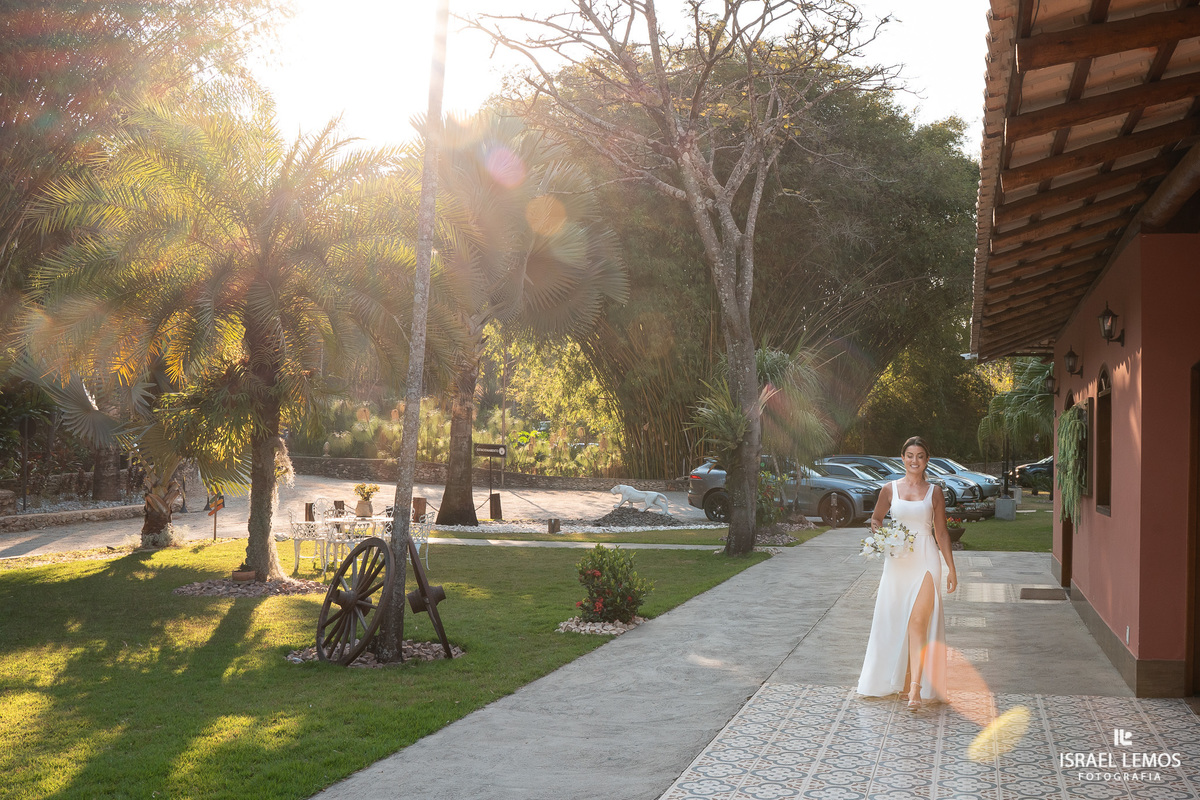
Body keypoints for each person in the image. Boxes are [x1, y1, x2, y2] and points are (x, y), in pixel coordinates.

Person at [856, 436, 958, 709]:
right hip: (898, 561)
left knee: (917, 622)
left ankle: (915, 689)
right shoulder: (889, 489)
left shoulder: (934, 491)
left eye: (920, 456)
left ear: (927, 460)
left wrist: (951, 568)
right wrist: (885, 538)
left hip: (926, 558)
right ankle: (896, 681)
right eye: (910, 455)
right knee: (896, 621)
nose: (915, 460)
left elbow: (942, 532)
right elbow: (876, 520)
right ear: (902, 458)